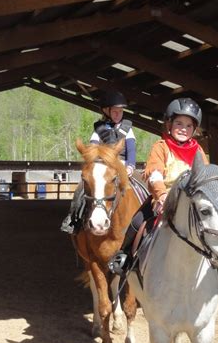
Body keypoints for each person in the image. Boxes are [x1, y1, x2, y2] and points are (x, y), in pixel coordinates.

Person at [108, 97, 207, 276]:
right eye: (179, 123)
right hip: (165, 199)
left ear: (194, 129)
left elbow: (205, 176)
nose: (183, 129)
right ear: (169, 124)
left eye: (188, 125)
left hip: (192, 202)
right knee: (137, 222)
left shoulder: (198, 151)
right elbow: (155, 174)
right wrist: (161, 195)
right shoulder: (161, 147)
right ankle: (125, 258)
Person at [60, 88, 136, 234]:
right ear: (106, 111)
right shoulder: (99, 129)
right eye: (114, 111)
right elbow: (93, 150)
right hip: (103, 167)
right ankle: (73, 219)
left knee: (144, 188)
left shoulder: (128, 129)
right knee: (80, 190)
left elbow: (131, 150)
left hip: (124, 166)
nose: (118, 114)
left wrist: (131, 166)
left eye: (120, 111)